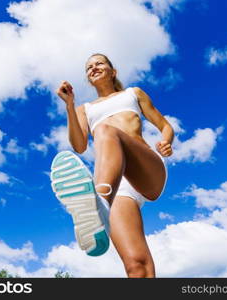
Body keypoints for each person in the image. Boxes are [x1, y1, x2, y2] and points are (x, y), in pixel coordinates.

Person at [51, 53, 174, 278]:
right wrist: (70, 105)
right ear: (88, 78)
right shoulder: (85, 109)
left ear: (112, 71)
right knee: (136, 266)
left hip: (145, 167)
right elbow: (79, 146)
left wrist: (166, 141)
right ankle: (101, 206)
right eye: (88, 67)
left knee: (106, 131)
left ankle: (100, 202)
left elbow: (165, 125)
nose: (93, 68)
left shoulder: (132, 94)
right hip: (117, 186)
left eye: (99, 63)